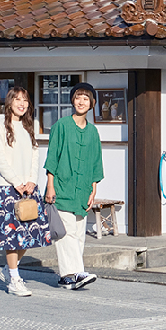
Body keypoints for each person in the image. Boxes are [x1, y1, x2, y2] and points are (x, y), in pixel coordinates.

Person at [0, 85, 53, 297]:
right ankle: (14, 279)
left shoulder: (28, 126)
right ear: (10, 103)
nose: (22, 104)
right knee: (12, 237)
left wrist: (32, 180)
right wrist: (16, 182)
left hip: (28, 189)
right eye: (18, 100)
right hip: (8, 189)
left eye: (25, 100)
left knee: (29, 236)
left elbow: (35, 155)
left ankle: (8, 270)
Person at [43, 82, 103, 289]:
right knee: (66, 232)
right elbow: (52, 157)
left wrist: (93, 188)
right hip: (62, 187)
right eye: (78, 97)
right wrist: (50, 186)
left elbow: (96, 162)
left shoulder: (93, 132)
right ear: (72, 100)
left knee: (78, 234)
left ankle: (67, 276)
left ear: (91, 103)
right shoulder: (61, 126)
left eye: (86, 98)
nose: (81, 101)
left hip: (83, 189)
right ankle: (77, 273)